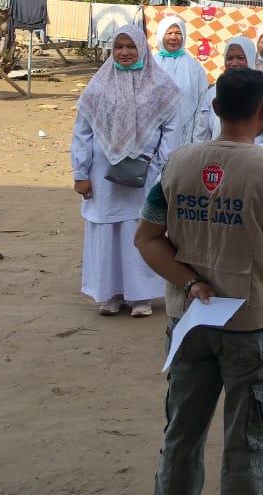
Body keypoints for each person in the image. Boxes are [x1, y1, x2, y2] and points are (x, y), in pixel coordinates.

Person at [135, 67, 263, 495]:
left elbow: (147, 239)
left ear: (215, 107)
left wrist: (190, 283)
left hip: (190, 321)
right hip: (251, 325)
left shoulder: (179, 162)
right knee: (250, 444)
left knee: (181, 435)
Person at [71, 24, 182, 318]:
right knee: (106, 231)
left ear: (142, 48)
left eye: (131, 46)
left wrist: (163, 172)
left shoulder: (161, 86)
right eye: (119, 46)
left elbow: (171, 133)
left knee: (139, 230)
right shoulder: (98, 85)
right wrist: (80, 173)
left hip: (146, 175)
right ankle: (110, 295)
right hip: (102, 179)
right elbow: (82, 132)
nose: (124, 52)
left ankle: (141, 297)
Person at [193, 37, 263, 157]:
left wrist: (248, 154)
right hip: (216, 160)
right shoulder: (213, 92)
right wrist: (208, 156)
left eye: (240, 58)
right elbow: (201, 135)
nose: (234, 63)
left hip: (254, 161)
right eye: (229, 58)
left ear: (250, 58)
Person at [153, 14, 209, 144]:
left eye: (178, 33)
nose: (173, 37)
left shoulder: (194, 68)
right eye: (169, 33)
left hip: (185, 131)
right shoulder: (150, 64)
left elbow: (202, 102)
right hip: (154, 131)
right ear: (161, 35)